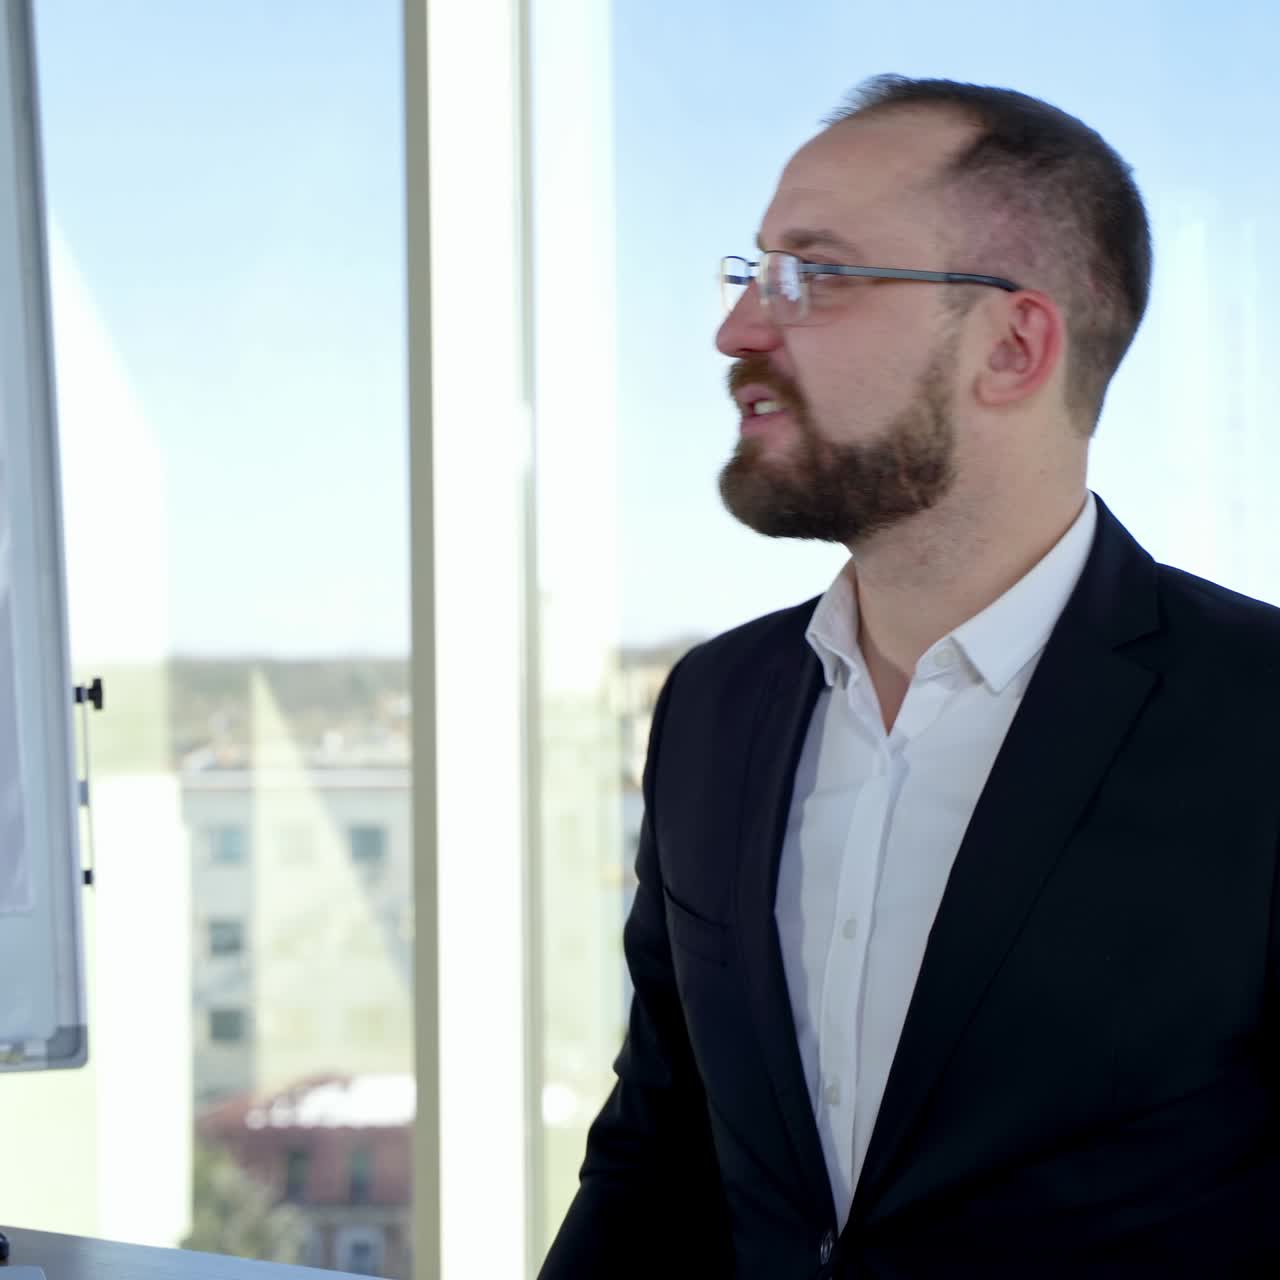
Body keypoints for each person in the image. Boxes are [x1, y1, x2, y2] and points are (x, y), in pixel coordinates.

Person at [538, 76, 1280, 1279]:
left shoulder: (1255, 714)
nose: (737, 331)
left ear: (1010, 345)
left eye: (813, 276)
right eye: (751, 270)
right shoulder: (711, 707)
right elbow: (656, 1153)